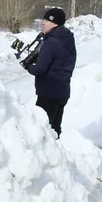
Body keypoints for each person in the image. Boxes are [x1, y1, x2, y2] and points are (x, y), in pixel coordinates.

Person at [22, 7, 76, 136]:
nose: (43, 23)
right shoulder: (67, 38)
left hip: (49, 93)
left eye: (46, 20)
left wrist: (28, 66)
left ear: (54, 23)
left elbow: (40, 69)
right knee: (55, 129)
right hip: (63, 92)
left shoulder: (51, 41)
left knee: (42, 131)